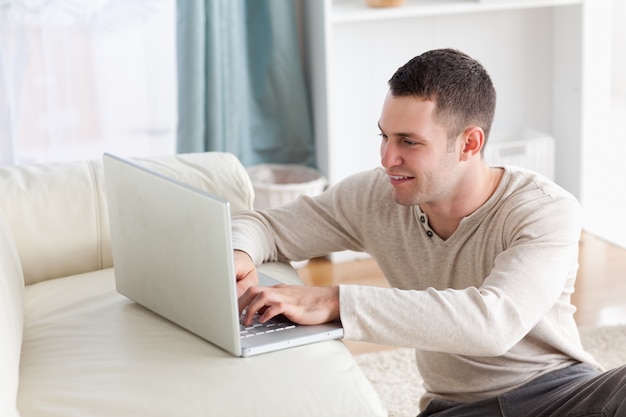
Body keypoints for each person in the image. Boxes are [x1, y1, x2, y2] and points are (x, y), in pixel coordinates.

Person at [232, 48, 626, 416]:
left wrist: (335, 302)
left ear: (469, 143)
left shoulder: (544, 210)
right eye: (384, 136)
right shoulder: (376, 195)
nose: (388, 158)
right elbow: (266, 226)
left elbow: (494, 325)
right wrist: (238, 256)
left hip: (562, 395)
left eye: (409, 142)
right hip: (456, 407)